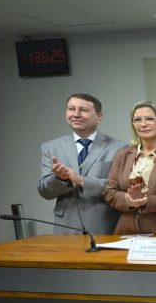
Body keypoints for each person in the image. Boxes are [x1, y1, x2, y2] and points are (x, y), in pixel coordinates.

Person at [38, 93, 127, 234]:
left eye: (83, 110)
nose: (76, 114)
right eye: (71, 109)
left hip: (105, 225)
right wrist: (60, 179)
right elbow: (45, 191)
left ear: (99, 117)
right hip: (67, 228)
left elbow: (121, 188)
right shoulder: (51, 147)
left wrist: (81, 181)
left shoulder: (119, 147)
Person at [103, 101, 156, 236]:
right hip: (126, 231)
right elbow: (109, 192)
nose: (143, 124)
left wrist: (147, 201)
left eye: (149, 119)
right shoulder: (123, 155)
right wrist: (128, 200)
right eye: (137, 120)